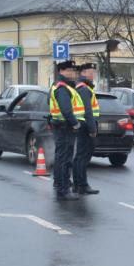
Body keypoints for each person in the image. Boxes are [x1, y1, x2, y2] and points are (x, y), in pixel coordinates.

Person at [49, 61, 84, 201]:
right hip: (65, 126)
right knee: (65, 159)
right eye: (68, 70)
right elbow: (66, 109)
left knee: (60, 157)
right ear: (61, 71)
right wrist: (75, 123)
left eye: (73, 70)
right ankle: (64, 189)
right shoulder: (63, 88)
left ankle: (59, 184)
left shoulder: (60, 86)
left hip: (61, 125)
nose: (71, 73)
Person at [73, 63, 100, 195]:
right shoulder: (84, 89)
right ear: (83, 73)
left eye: (93, 72)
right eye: (90, 72)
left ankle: (77, 184)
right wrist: (92, 129)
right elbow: (88, 111)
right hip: (85, 125)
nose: (92, 75)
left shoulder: (81, 87)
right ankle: (82, 184)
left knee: (79, 156)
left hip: (81, 124)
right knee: (83, 157)